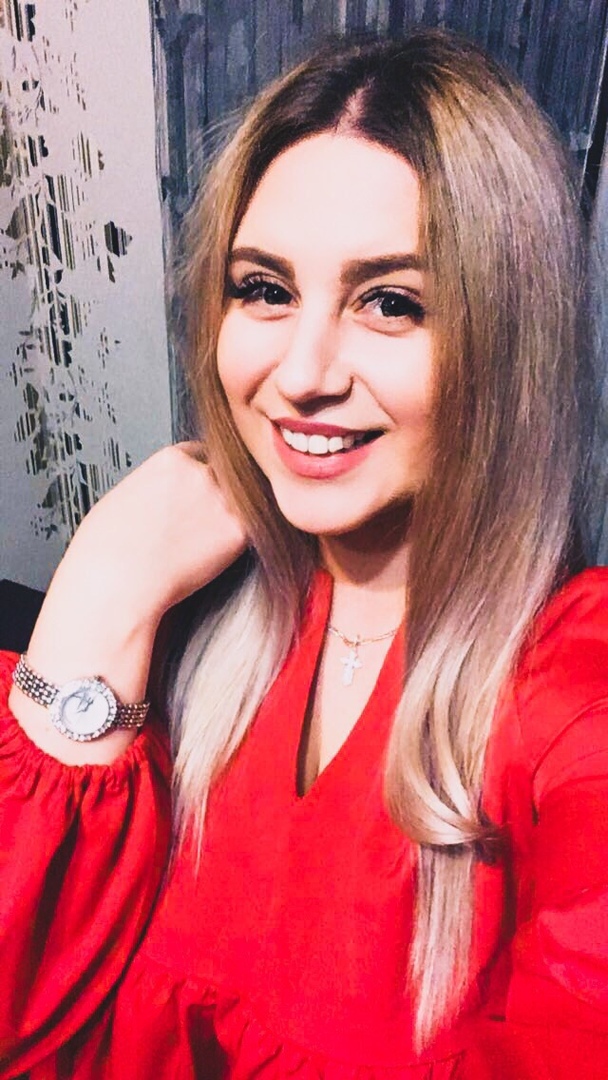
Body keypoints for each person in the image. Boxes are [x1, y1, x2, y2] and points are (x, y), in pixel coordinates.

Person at [1, 27, 608, 1080]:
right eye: (264, 289)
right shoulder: (194, 612)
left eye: (391, 302)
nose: (300, 373)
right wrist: (102, 594)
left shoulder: (570, 691)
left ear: (505, 345)